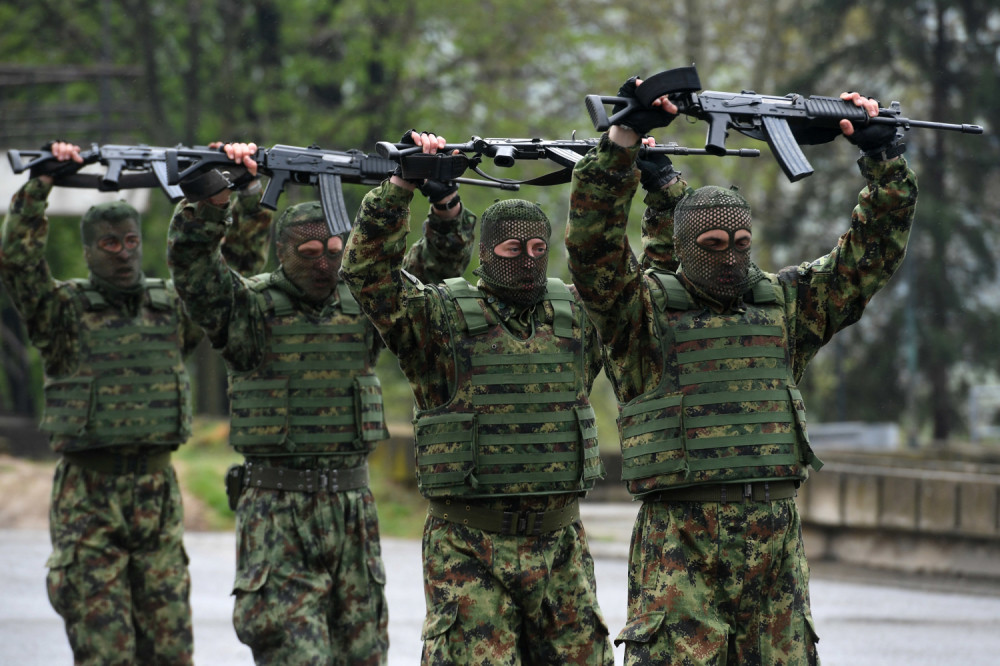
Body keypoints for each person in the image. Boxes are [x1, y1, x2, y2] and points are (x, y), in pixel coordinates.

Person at [565, 77, 918, 664]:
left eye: (740, 242)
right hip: (680, 546)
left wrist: (884, 162)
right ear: (683, 247)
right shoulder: (640, 316)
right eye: (712, 243)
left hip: (774, 547)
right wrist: (622, 142)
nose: (729, 254)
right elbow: (594, 249)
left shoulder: (785, 307)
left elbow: (867, 260)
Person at [165, 138, 476, 665]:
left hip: (352, 509)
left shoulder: (364, 305)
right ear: (282, 253)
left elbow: (433, 270)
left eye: (334, 251)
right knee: (296, 654)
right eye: (308, 254)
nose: (324, 264)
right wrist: (212, 200)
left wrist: (445, 205)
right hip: (277, 512)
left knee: (364, 653)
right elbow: (195, 270)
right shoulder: (248, 310)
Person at [341, 130, 615, 665]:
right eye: (513, 250)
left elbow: (632, 284)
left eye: (538, 250)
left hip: (561, 547)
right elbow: (367, 273)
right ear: (486, 253)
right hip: (469, 546)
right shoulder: (438, 319)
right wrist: (401, 186)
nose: (528, 261)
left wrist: (636, 175)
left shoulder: (578, 318)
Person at [0, 140, 270, 665]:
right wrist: (39, 186)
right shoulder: (61, 313)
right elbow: (19, 264)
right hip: (88, 496)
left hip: (156, 492)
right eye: (109, 243)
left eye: (130, 241)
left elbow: (229, 275)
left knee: (170, 649)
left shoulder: (169, 308)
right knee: (106, 651)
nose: (123, 252)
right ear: (89, 251)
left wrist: (242, 189)